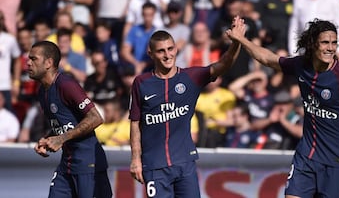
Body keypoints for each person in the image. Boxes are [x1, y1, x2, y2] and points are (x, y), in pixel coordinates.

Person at [235, 18, 339, 197]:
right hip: (306, 156)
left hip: (335, 161)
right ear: (312, 44)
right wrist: (241, 39)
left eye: (334, 43)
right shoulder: (302, 65)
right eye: (325, 42)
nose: (331, 48)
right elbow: (267, 58)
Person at [129, 16, 244, 197]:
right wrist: (135, 158)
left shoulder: (191, 77)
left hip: (185, 163)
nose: (167, 55)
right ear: (151, 54)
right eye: (161, 51)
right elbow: (135, 122)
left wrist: (236, 42)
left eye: (170, 49)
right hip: (154, 166)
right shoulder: (141, 83)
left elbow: (224, 65)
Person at [28, 41, 112, 198]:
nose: (28, 63)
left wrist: (61, 139)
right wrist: (47, 139)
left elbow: (96, 118)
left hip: (88, 164)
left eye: (33, 59)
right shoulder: (42, 91)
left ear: (48, 63)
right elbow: (64, 124)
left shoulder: (66, 85)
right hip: (66, 165)